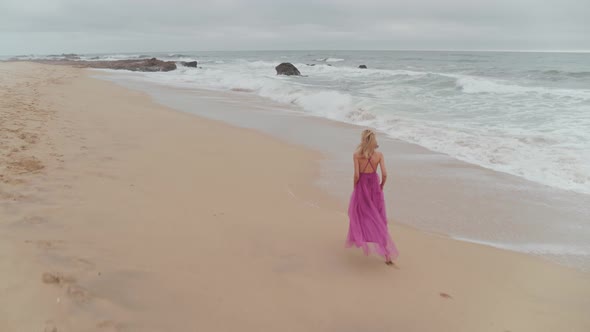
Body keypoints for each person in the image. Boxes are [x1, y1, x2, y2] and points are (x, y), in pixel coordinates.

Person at [346, 129, 399, 265]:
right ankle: (387, 254)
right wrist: (381, 185)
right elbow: (385, 174)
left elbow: (357, 175)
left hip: (362, 187)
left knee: (360, 214)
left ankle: (361, 238)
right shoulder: (379, 155)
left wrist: (355, 187)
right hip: (374, 187)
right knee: (379, 217)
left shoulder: (356, 155)